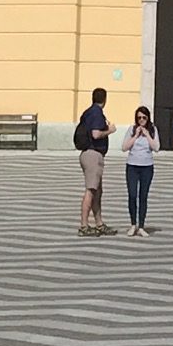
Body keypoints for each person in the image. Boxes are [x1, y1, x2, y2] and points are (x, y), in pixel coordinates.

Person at [76, 87, 115, 236]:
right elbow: (96, 134)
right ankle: (84, 226)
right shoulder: (97, 113)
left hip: (88, 154)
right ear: (104, 99)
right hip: (93, 154)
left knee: (97, 191)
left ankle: (99, 223)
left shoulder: (88, 112)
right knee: (91, 190)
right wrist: (110, 130)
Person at [122, 105, 159, 237]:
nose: (141, 120)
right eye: (139, 118)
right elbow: (124, 147)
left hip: (147, 167)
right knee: (132, 195)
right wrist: (136, 135)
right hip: (132, 166)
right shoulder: (132, 129)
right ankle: (133, 224)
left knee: (143, 196)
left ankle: (141, 226)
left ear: (148, 118)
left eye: (144, 117)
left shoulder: (153, 130)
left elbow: (156, 147)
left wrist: (147, 135)